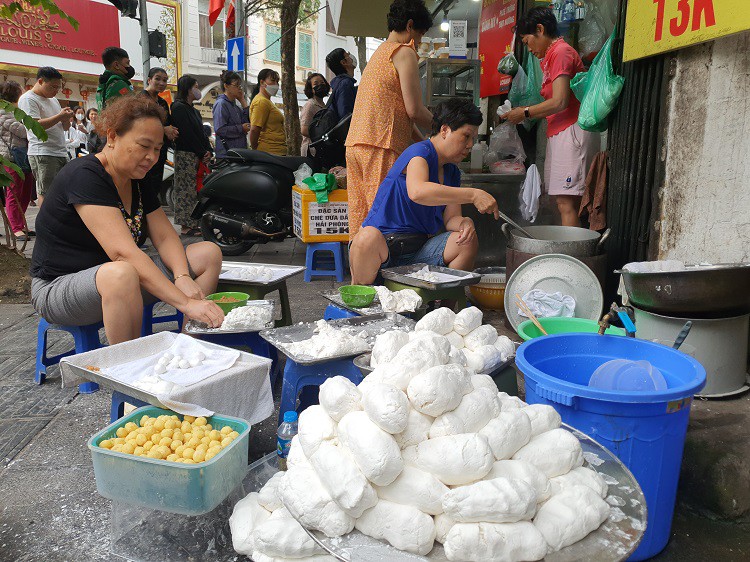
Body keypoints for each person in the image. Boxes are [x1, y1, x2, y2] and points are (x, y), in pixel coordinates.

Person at [30, 95, 224, 344]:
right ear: (112, 136)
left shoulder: (136, 179)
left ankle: (188, 348)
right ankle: (127, 370)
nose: (152, 157)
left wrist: (182, 276)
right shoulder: (85, 175)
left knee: (207, 253)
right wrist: (185, 302)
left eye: (157, 149)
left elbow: (165, 236)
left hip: (121, 280)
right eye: (144, 146)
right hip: (58, 289)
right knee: (122, 273)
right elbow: (122, 253)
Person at [349, 99, 499, 285]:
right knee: (367, 237)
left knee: (466, 240)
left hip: (419, 251)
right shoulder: (419, 152)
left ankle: (447, 308)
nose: (469, 145)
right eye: (466, 136)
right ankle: (361, 299)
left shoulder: (451, 171)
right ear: (445, 130)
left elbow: (451, 219)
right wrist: (473, 194)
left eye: (473, 139)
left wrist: (464, 223)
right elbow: (418, 191)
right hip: (381, 249)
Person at [345, 0, 434, 239]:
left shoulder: (379, 53)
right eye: (421, 34)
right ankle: (379, 276)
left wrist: (428, 140)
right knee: (381, 225)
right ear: (410, 25)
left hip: (356, 146)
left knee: (362, 223)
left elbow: (401, 113)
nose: (421, 41)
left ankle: (359, 276)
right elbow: (414, 110)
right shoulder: (404, 52)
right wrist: (444, 128)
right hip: (380, 145)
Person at [504, 6, 599, 227]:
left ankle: (570, 258)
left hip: (571, 132)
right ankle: (564, 252)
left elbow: (560, 101)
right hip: (559, 132)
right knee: (560, 201)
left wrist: (525, 112)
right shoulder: (550, 56)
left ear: (540, 29)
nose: (528, 49)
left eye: (527, 42)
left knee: (568, 203)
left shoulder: (561, 52)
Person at [18, 66, 73, 207]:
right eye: (53, 87)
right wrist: (60, 116)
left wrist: (65, 118)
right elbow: (35, 126)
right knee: (46, 193)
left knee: (63, 190)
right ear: (41, 81)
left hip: (60, 151)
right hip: (43, 152)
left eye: (58, 87)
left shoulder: (53, 100)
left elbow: (64, 128)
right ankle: (46, 226)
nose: (56, 91)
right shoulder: (28, 99)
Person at [170, 75, 212, 236]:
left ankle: (194, 223)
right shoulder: (178, 107)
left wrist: (208, 150)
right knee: (185, 190)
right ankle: (186, 226)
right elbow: (187, 133)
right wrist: (202, 152)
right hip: (186, 154)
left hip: (198, 155)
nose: (198, 90)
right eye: (195, 86)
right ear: (188, 88)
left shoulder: (194, 110)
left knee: (195, 189)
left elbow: (201, 133)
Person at [0, 80, 35, 240]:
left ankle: (21, 225)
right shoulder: (3, 111)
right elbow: (21, 131)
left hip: (23, 156)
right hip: (12, 157)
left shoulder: (15, 110)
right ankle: (16, 228)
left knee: (26, 192)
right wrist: (32, 124)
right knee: (14, 192)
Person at [138, 67, 179, 197]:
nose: (162, 83)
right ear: (149, 80)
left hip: (159, 151)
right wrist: (163, 129)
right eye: (158, 79)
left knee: (155, 186)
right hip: (143, 150)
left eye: (165, 80)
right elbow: (140, 124)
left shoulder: (162, 102)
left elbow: (168, 124)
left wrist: (172, 131)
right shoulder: (141, 98)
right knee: (143, 185)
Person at [213, 70, 250, 158]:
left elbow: (247, 122)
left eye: (240, 86)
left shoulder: (236, 106)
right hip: (227, 155)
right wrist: (241, 128)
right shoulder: (221, 104)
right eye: (236, 85)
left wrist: (242, 101)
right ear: (226, 86)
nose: (239, 88)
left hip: (238, 154)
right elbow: (220, 129)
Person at [249, 69, 286, 156]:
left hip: (275, 151)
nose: (276, 84)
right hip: (270, 152)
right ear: (262, 82)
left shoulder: (266, 101)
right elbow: (254, 130)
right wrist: (255, 149)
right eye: (272, 81)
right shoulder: (261, 102)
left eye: (277, 81)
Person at [96, 46, 135, 111]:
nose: (129, 66)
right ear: (116, 65)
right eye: (127, 63)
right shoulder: (119, 85)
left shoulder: (101, 86)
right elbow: (132, 110)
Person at [300, 73, 329, 157]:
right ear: (311, 89)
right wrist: (321, 136)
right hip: (311, 151)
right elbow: (304, 130)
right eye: (315, 84)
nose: (320, 85)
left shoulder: (324, 105)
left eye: (322, 83)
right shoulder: (310, 105)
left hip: (321, 149)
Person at [325, 48, 357, 120]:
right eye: (347, 55)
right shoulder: (345, 84)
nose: (350, 56)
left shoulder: (340, 83)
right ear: (343, 62)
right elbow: (345, 115)